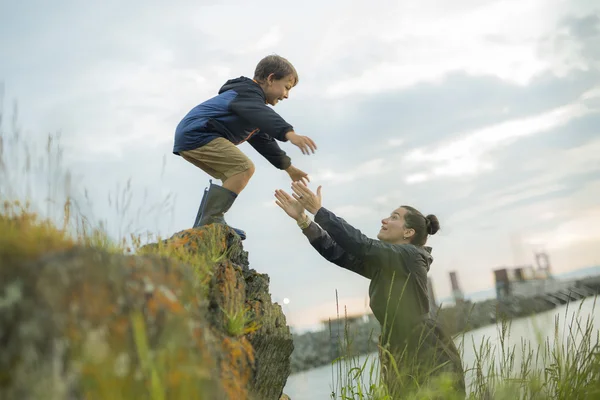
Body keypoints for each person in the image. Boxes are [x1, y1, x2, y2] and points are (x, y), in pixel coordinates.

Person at [274, 182, 466, 397]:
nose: (384, 220)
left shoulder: (412, 257)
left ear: (408, 232)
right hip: (397, 348)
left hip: (425, 348)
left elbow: (361, 245)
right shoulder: (389, 262)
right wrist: (304, 221)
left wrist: (319, 211)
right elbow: (339, 253)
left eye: (394, 217)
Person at [173, 55, 317, 240]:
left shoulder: (249, 105)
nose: (286, 95)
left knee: (232, 175)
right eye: (286, 87)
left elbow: (265, 142)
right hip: (199, 133)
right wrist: (289, 133)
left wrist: (289, 168)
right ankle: (210, 221)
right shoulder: (247, 94)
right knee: (244, 168)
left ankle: (204, 227)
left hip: (190, 137)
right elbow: (262, 114)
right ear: (271, 78)